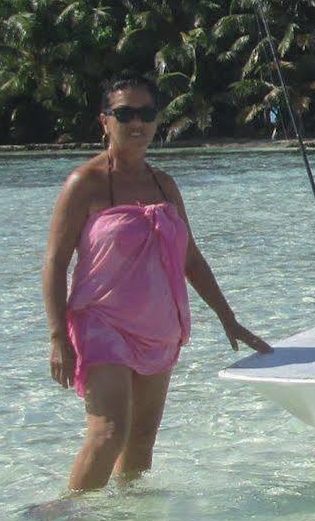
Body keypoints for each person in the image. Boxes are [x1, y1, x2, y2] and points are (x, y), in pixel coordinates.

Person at [42, 76, 268, 493]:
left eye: (147, 114)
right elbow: (55, 264)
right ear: (104, 121)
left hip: (158, 328)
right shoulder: (85, 183)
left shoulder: (165, 185)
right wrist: (59, 336)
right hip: (101, 322)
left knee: (142, 439)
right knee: (110, 431)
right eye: (125, 113)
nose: (137, 124)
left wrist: (228, 318)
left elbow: (191, 260)